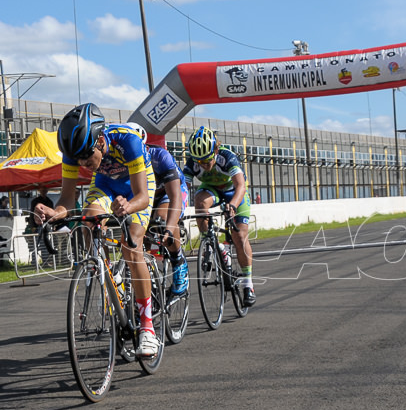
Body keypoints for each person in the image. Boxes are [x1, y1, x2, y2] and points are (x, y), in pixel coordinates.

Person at [35, 103, 159, 358]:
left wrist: (128, 206)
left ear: (100, 140)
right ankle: (103, 270)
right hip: (106, 186)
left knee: (131, 242)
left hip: (136, 188)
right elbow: (68, 200)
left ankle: (147, 327)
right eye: (78, 160)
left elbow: (143, 196)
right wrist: (53, 213)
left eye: (87, 157)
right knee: (89, 217)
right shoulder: (73, 153)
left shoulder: (129, 141)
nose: (83, 164)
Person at [184, 126, 256, 308]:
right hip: (213, 190)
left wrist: (232, 205)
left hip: (234, 192)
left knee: (239, 236)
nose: (203, 165)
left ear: (215, 150)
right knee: (199, 201)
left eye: (207, 161)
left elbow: (240, 186)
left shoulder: (227, 157)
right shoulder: (192, 161)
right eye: (199, 162)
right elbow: (182, 188)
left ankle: (248, 283)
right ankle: (210, 242)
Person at [147, 142, 190, 296]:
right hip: (150, 197)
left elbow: (175, 197)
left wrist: (169, 228)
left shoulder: (159, 156)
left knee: (162, 218)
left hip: (172, 191)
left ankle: (178, 261)